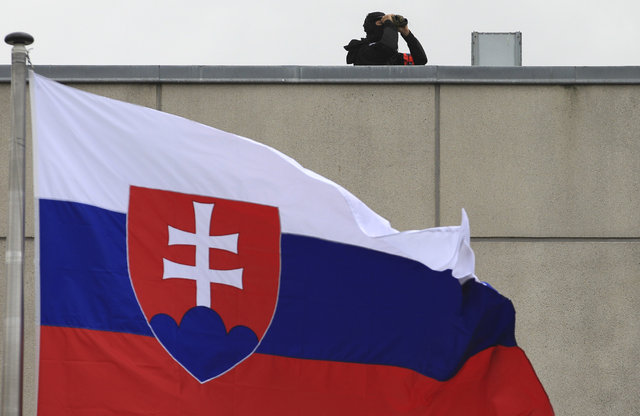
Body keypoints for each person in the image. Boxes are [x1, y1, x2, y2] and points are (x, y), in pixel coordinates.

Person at [344, 12, 428, 66]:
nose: (385, 26)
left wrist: (407, 34)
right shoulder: (362, 50)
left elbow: (421, 60)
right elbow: (388, 48)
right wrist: (389, 23)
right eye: (382, 22)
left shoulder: (393, 57)